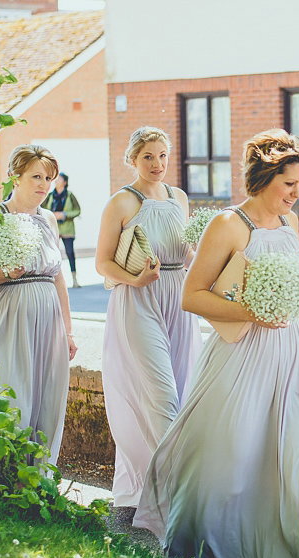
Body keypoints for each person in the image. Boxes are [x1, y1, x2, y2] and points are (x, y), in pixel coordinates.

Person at [133, 129, 299, 558]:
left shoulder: (289, 224)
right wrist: (254, 312)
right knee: (230, 455)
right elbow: (193, 295)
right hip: (241, 354)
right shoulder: (228, 225)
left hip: (289, 353)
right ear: (265, 178)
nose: (296, 195)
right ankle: (202, 543)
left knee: (296, 458)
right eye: (289, 184)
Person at [97, 126, 204, 522]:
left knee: (181, 383)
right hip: (138, 298)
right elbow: (102, 262)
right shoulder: (122, 202)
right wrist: (136, 279)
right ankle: (175, 494)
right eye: (148, 157)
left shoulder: (179, 198)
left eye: (162, 155)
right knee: (161, 395)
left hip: (178, 297)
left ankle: (156, 483)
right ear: (132, 159)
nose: (157, 164)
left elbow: (187, 251)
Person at [0, 144, 78, 466]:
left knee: (47, 399)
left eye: (48, 177)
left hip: (47, 325)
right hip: (6, 321)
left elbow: (58, 278)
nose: (44, 184)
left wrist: (68, 331)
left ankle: (40, 477)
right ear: (15, 177)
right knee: (11, 393)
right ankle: (7, 475)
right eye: (36, 176)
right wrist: (3, 273)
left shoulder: (49, 219)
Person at [42, 172, 82, 288]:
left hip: (67, 229)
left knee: (70, 253)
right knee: (52, 254)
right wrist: (52, 215)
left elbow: (77, 210)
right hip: (53, 229)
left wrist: (64, 215)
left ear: (65, 182)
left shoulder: (70, 195)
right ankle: (51, 280)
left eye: (59, 179)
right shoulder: (50, 196)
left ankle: (74, 279)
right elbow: (42, 209)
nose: (57, 180)